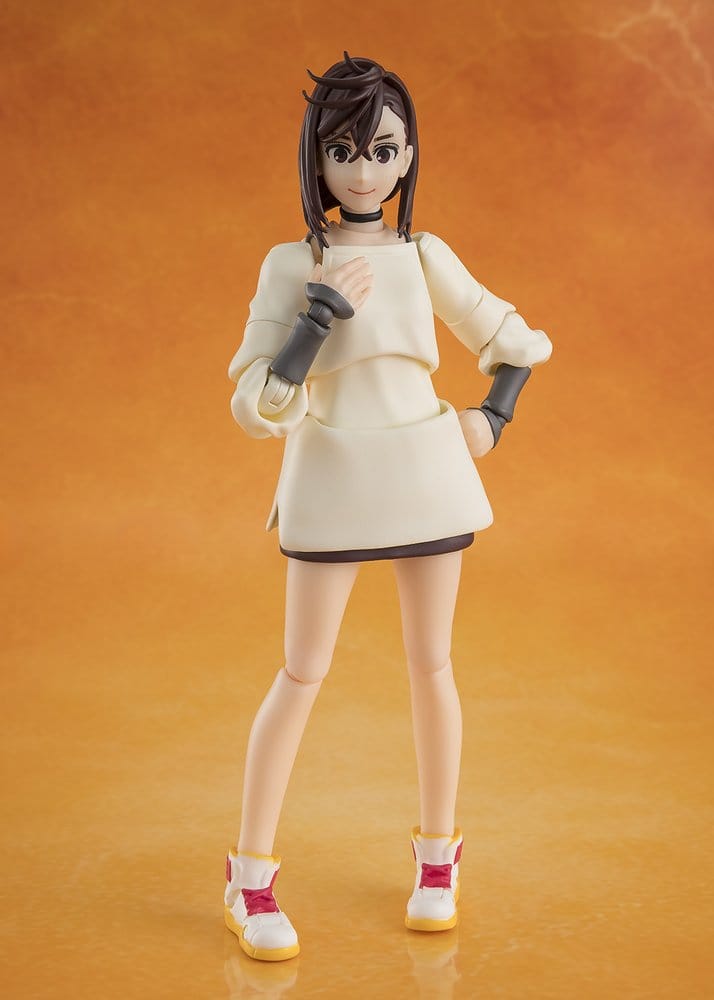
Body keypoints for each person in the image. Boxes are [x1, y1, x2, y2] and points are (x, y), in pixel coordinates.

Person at [224, 53, 552, 961]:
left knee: (432, 664)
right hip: (331, 476)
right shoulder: (292, 264)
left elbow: (514, 339)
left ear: (406, 158)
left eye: (382, 149)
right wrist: (314, 321)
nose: (363, 170)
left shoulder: (424, 255)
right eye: (343, 149)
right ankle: (248, 876)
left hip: (426, 470)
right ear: (316, 158)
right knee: (301, 672)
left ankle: (438, 860)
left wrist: (492, 417)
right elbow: (253, 401)